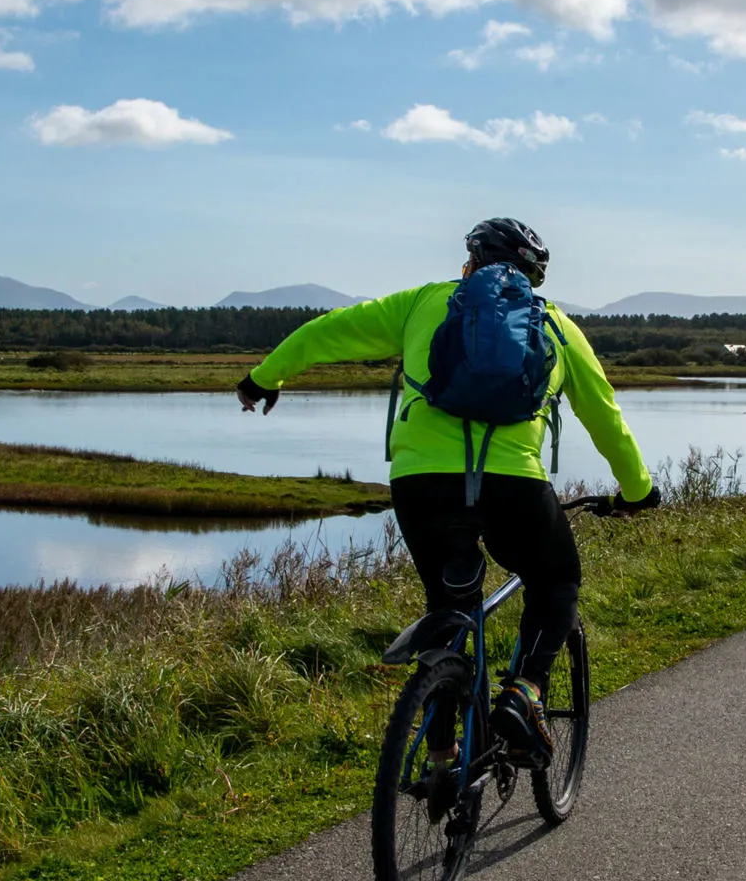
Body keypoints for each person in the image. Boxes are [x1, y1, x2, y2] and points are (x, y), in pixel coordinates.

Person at [235, 218, 658, 761]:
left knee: (449, 601)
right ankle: (524, 693)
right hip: (514, 485)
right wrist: (637, 490)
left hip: (422, 483)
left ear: (471, 263)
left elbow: (328, 331)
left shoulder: (422, 303)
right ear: (534, 276)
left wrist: (264, 377)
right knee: (555, 580)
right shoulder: (554, 325)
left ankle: (439, 752)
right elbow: (606, 417)